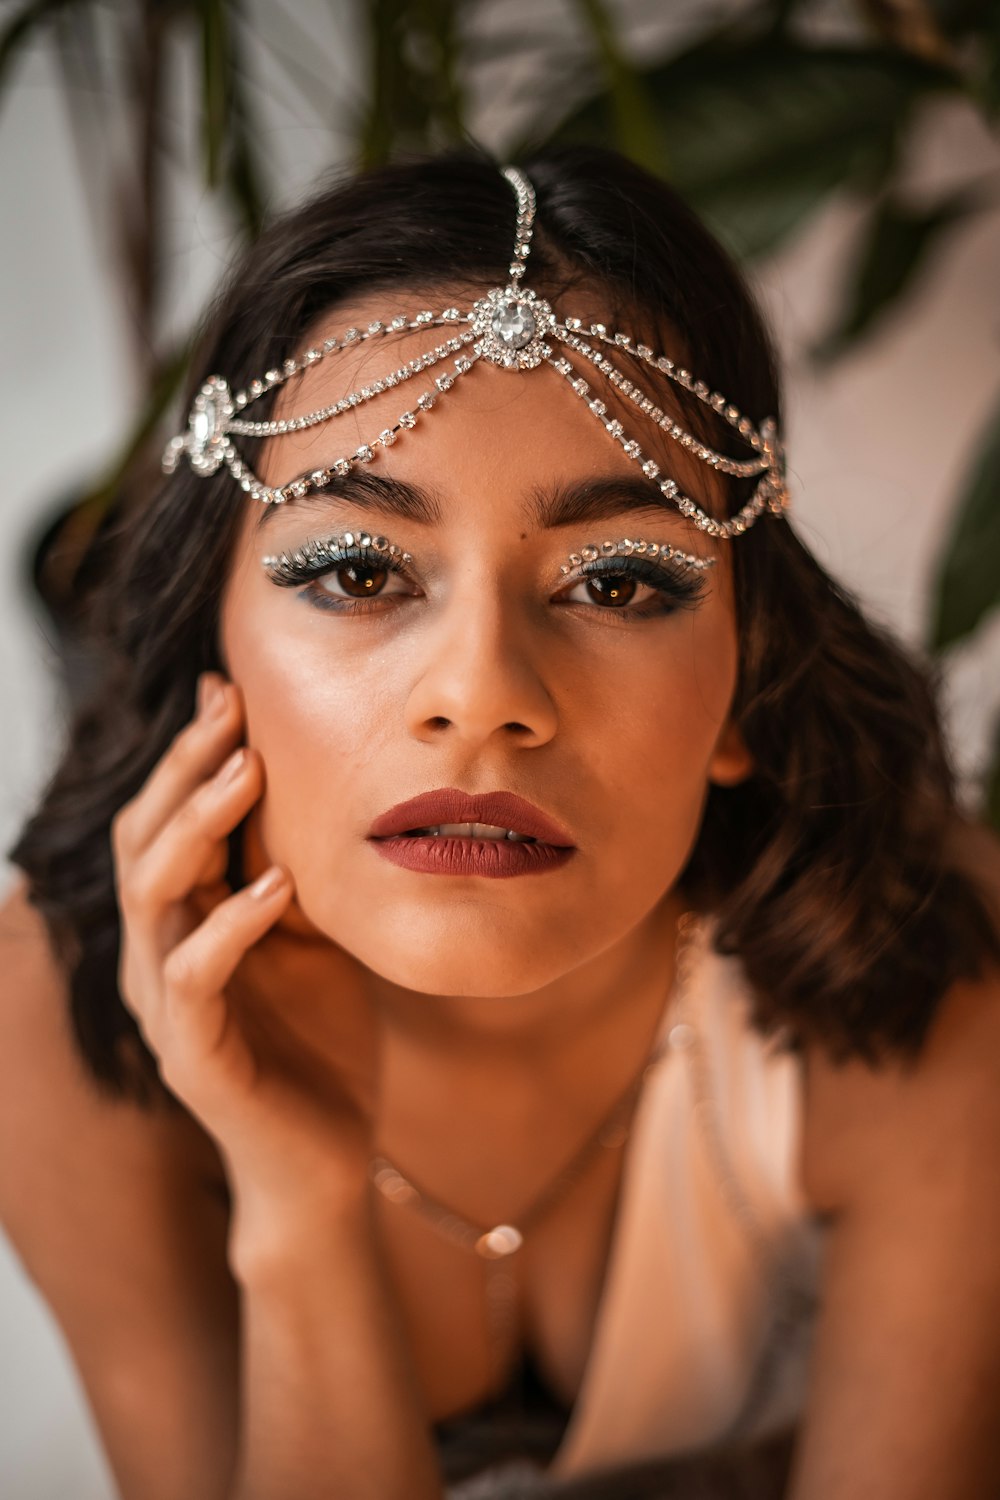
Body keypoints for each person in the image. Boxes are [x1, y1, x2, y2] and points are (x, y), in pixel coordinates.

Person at [1, 143, 999, 1500]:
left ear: (746, 687)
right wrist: (299, 1217)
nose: (480, 698)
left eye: (625, 584)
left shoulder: (927, 959)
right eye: (357, 568)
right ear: (206, 640)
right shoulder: (48, 1023)